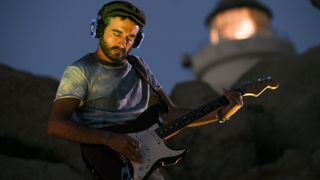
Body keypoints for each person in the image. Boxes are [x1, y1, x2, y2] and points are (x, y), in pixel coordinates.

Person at [47, 1, 243, 180]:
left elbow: (171, 114)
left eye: (130, 37)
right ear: (98, 29)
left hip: (144, 164)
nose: (123, 43)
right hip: (106, 166)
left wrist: (221, 114)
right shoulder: (80, 71)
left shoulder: (139, 67)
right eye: (116, 33)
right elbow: (55, 124)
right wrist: (109, 139)